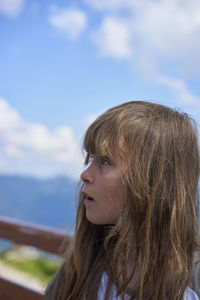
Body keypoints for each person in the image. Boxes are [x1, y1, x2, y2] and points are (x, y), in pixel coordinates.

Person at [45, 101, 200, 300]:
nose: (85, 174)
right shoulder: (84, 262)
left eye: (106, 161)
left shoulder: (190, 281)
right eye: (91, 158)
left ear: (153, 181)